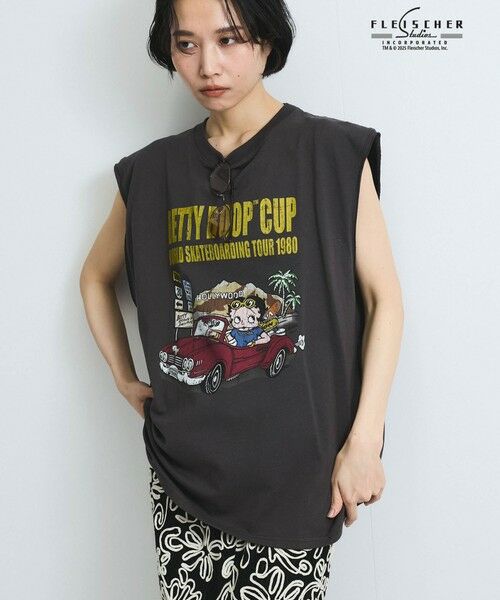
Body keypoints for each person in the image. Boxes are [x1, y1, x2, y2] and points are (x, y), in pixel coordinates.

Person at [79, 0, 404, 597]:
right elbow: (95, 277)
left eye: (229, 39)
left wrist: (364, 442)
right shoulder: (151, 173)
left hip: (300, 471)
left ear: (267, 39)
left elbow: (385, 301)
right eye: (186, 44)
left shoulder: (332, 154)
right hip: (186, 475)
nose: (208, 65)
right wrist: (125, 380)